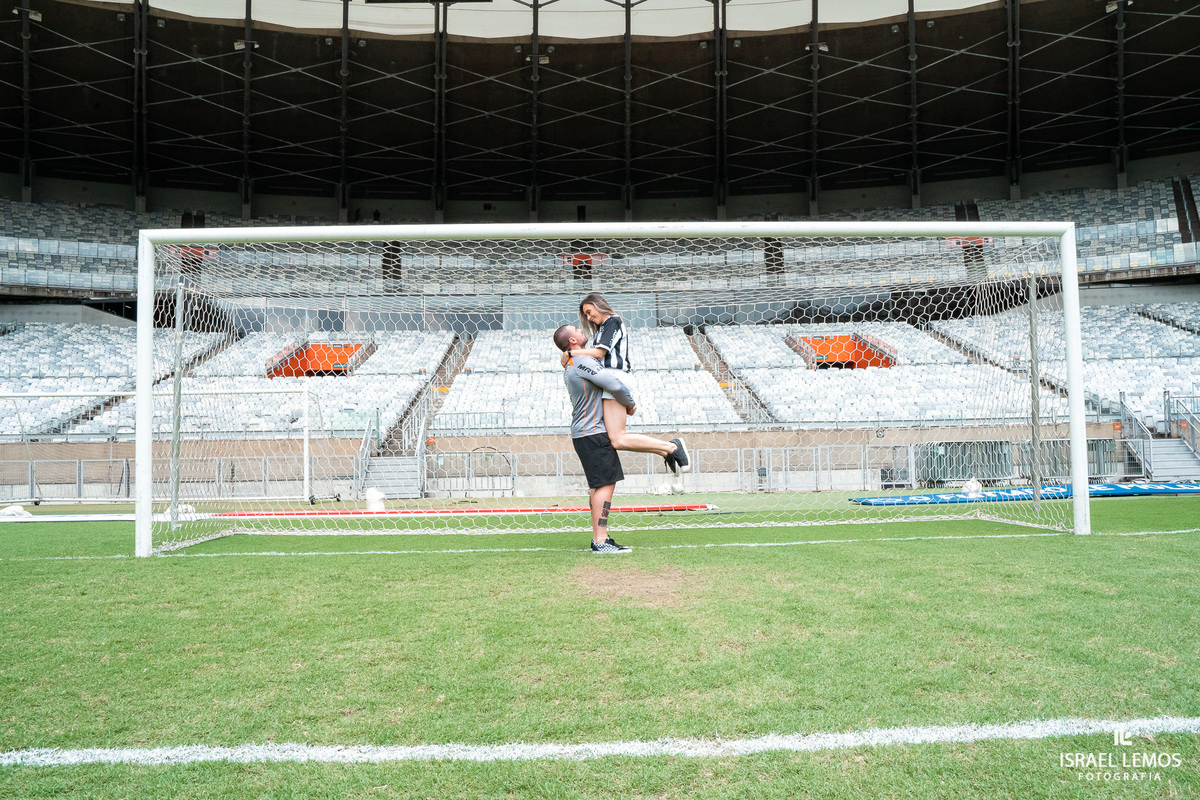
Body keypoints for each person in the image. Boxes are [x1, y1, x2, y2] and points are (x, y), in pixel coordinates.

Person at [553, 324, 686, 554]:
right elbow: (613, 383)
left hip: (584, 433)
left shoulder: (572, 363)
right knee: (605, 485)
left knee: (598, 486)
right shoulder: (581, 361)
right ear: (572, 340)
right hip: (592, 432)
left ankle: (599, 539)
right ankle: (601, 540)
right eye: (576, 329)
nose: (581, 329)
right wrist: (630, 403)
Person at [558, 292, 689, 475]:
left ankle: (672, 447)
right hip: (609, 379)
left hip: (615, 377)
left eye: (589, 312)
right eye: (586, 315)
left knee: (618, 439)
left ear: (598, 305)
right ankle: (665, 451)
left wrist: (570, 353)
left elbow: (599, 353)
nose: (588, 318)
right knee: (614, 440)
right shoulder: (602, 328)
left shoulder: (612, 321)